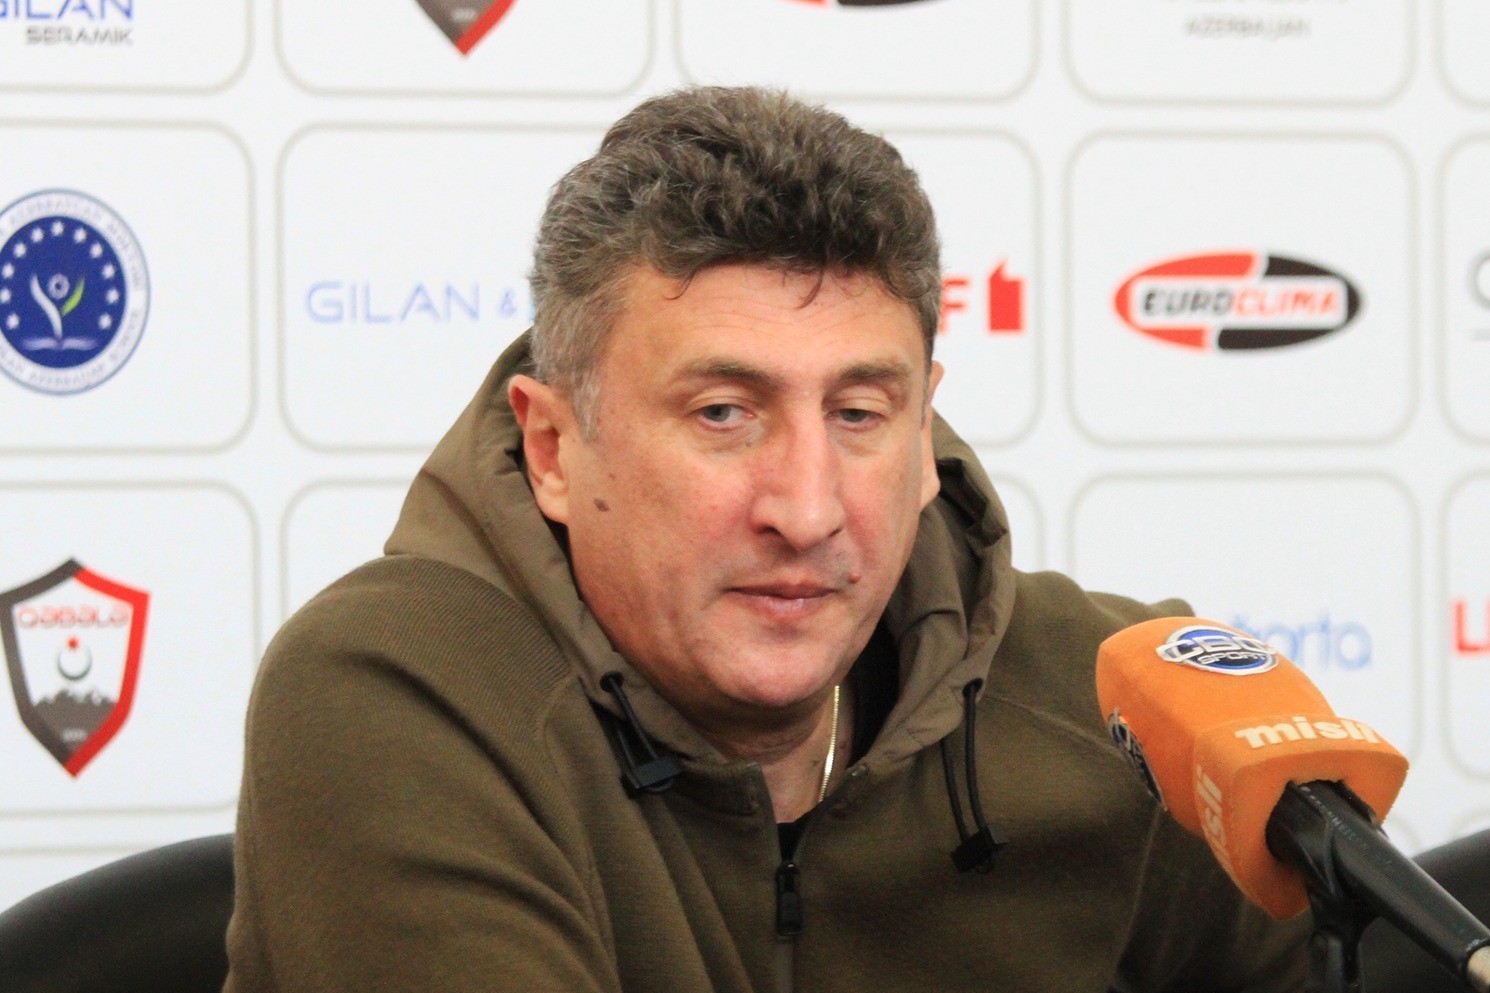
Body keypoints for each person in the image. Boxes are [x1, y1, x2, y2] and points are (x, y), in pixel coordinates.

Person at [223, 86, 1308, 992]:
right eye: (723, 414)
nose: (806, 508)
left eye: (858, 414)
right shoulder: (393, 688)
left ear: (922, 433)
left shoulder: (1123, 697)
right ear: (553, 449)